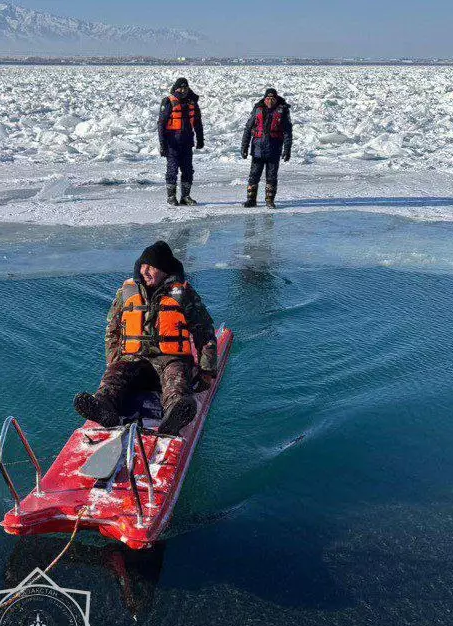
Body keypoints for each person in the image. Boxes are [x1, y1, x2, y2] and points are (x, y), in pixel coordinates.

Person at [74, 241, 217, 436]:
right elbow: (113, 331)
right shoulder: (127, 292)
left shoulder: (183, 294)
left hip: (171, 360)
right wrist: (113, 361)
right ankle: (103, 406)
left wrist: (206, 370)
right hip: (135, 360)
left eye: (152, 267)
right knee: (115, 377)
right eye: (143, 265)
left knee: (176, 382)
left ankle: (174, 415)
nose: (145, 271)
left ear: (165, 270)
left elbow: (205, 332)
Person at [241, 88, 293, 209]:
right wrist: (244, 146)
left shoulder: (283, 111)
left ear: (276, 99)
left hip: (274, 149)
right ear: (264, 99)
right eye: (268, 98)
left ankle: (269, 200)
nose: (270, 101)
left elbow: (287, 132)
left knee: (271, 176)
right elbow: (248, 128)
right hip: (258, 149)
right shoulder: (257, 109)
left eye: (272, 99)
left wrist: (287, 149)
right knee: (254, 175)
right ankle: (251, 200)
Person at [158, 77, 205, 207]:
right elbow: (161, 124)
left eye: (185, 88)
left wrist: (200, 139)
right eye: (181, 87)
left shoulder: (192, 102)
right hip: (172, 143)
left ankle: (185, 196)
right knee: (172, 170)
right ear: (176, 88)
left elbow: (197, 123)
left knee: (188, 170)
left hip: (187, 142)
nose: (183, 90)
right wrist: (162, 144)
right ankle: (171, 196)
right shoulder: (168, 101)